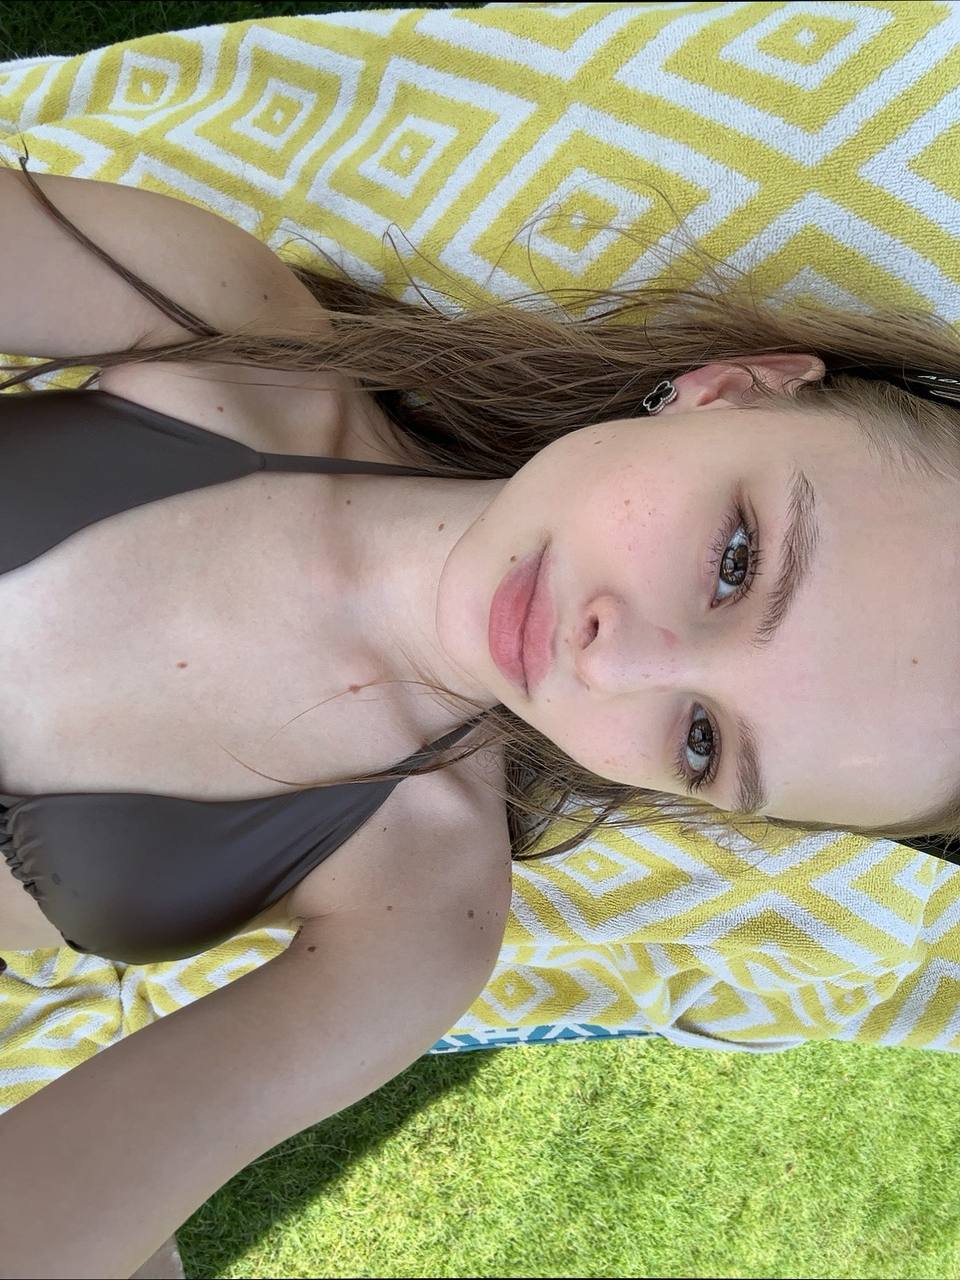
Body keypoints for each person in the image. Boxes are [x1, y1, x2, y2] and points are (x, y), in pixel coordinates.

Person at [0, 149, 958, 1277]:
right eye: (736, 560)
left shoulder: (415, 919)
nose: (615, 664)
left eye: (702, 741)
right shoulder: (222, 323)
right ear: (734, 385)